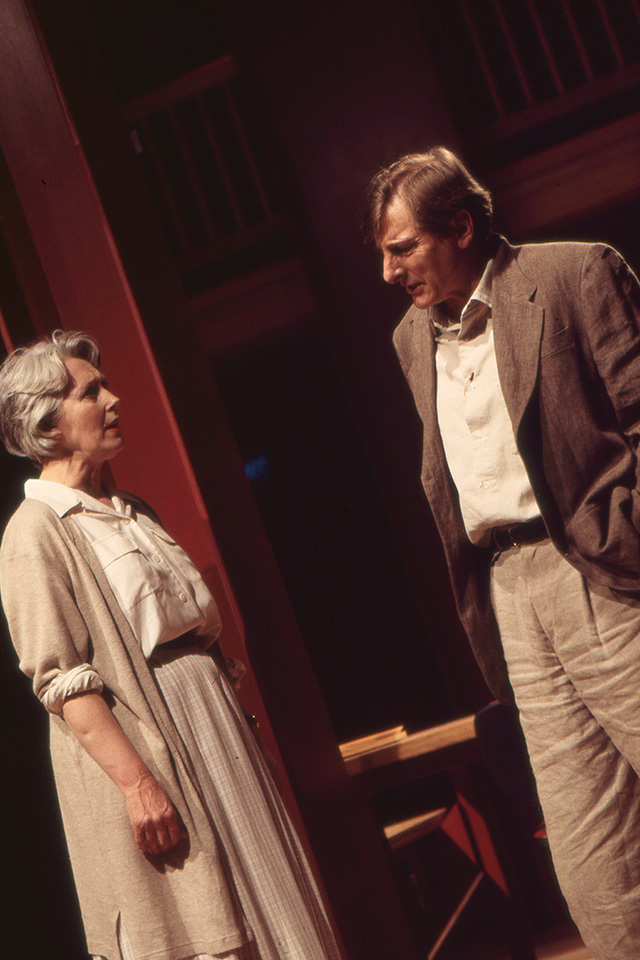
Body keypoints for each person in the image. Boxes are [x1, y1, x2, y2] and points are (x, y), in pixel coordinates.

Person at [366, 145, 640, 960]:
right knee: (586, 839)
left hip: (599, 563)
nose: (388, 272)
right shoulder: (411, 338)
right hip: (509, 591)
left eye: (401, 247)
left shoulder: (573, 274)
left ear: (460, 225)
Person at [0, 330, 342, 960]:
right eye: (90, 392)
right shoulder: (35, 532)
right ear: (47, 424)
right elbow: (60, 679)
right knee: (207, 929)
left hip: (210, 722)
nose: (113, 397)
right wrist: (138, 785)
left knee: (274, 901)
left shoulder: (130, 508)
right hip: (151, 741)